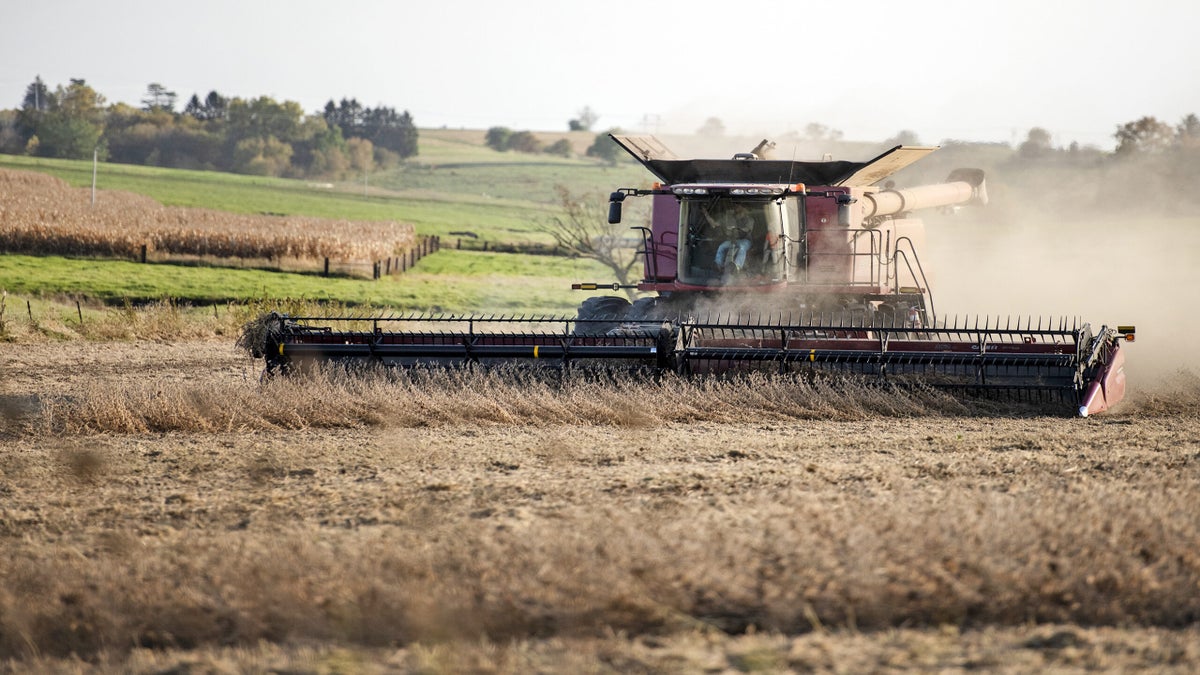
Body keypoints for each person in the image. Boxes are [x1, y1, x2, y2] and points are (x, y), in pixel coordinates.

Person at [714, 204, 753, 274]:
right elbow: (715, 224)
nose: (735, 208)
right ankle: (718, 265)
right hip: (733, 240)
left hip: (745, 241)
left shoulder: (750, 220)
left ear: (743, 208)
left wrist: (736, 229)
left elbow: (747, 229)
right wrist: (706, 214)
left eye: (738, 206)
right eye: (735, 207)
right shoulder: (732, 219)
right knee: (721, 246)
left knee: (742, 247)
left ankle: (737, 267)